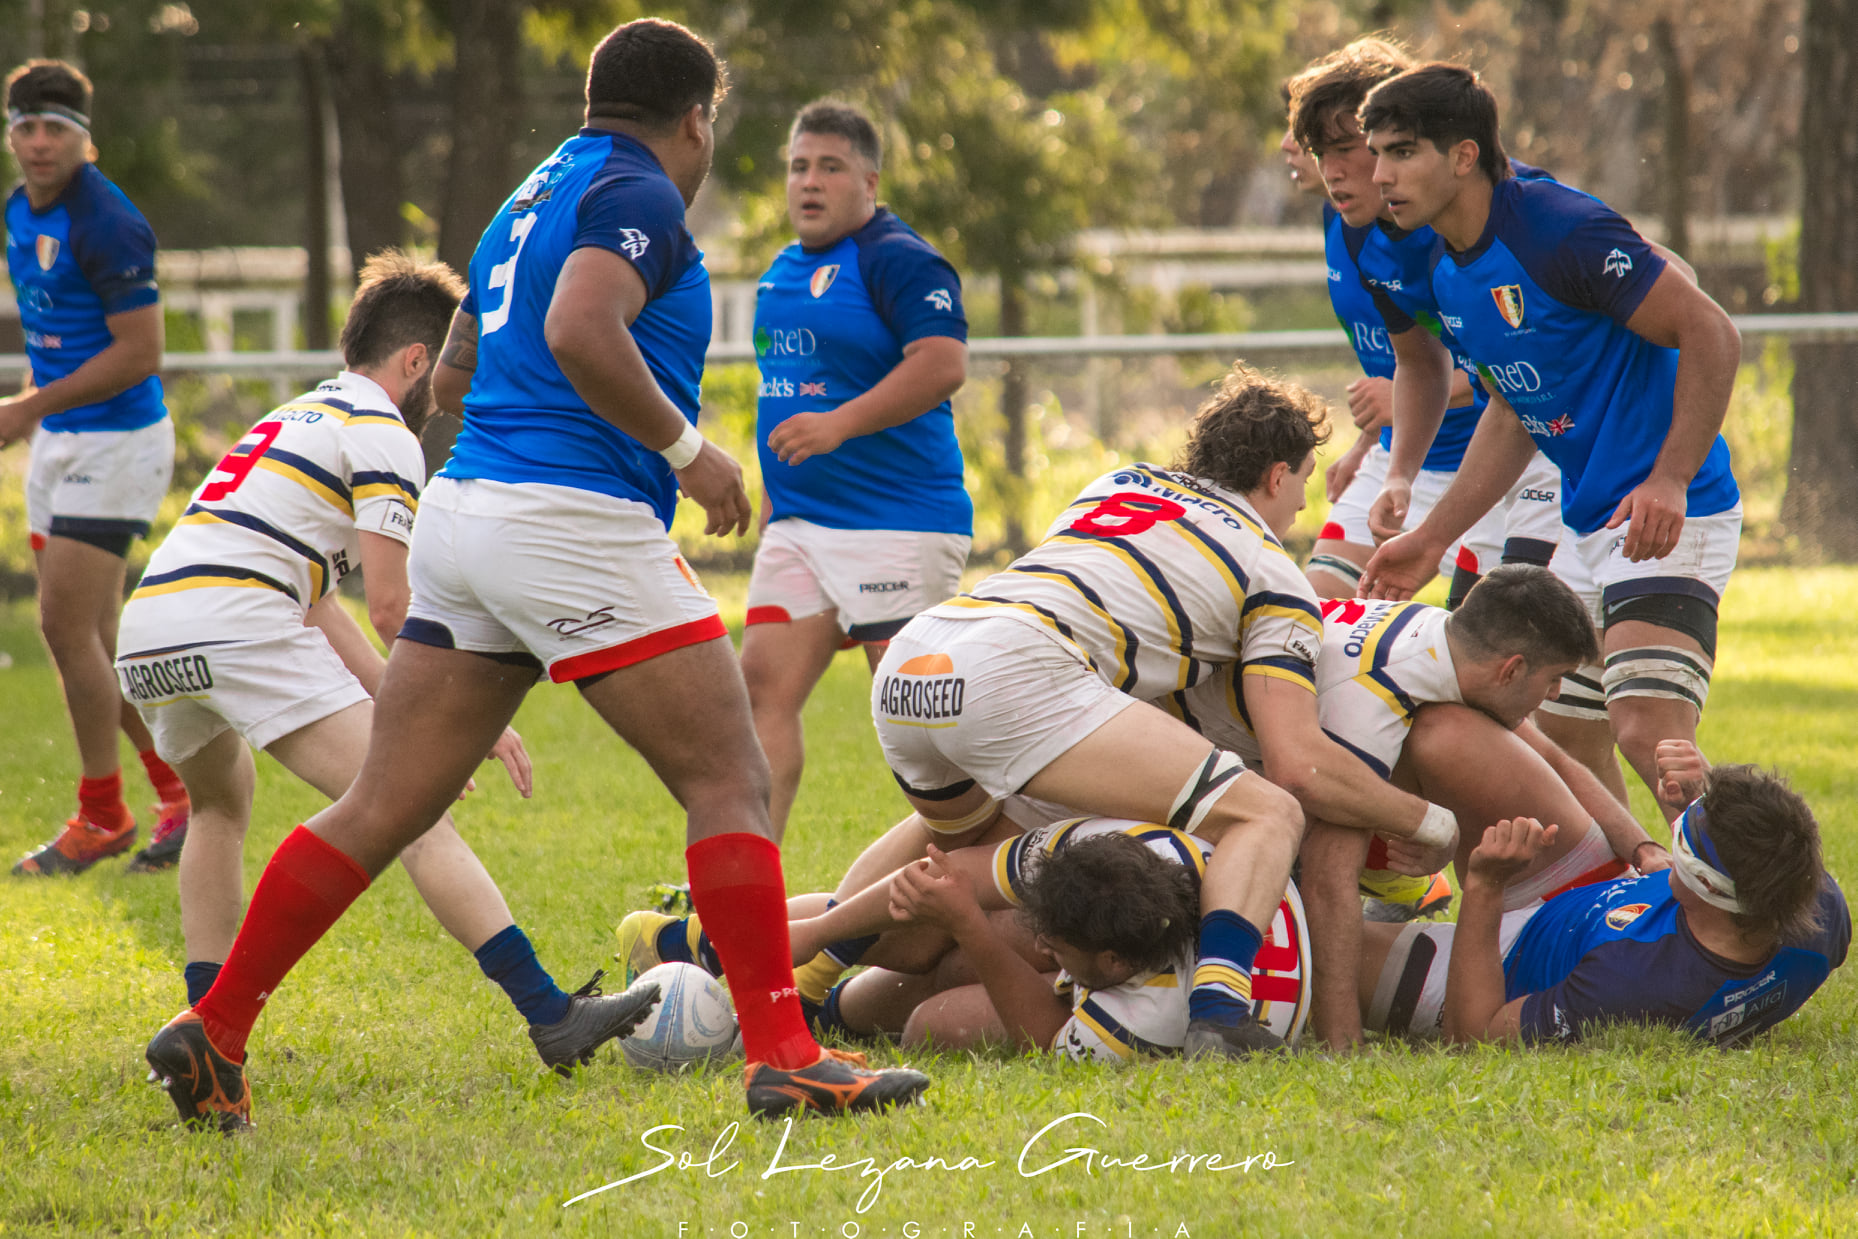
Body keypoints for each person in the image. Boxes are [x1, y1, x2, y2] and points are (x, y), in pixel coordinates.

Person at [142, 19, 929, 1132]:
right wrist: (686, 454)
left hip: (466, 514)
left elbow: (459, 358)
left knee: (380, 805)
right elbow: (578, 326)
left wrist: (496, 477)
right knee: (729, 782)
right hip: (569, 517)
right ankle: (787, 1056)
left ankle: (215, 1029)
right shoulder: (641, 192)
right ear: (698, 115)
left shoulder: (534, 187)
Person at [817, 364, 1462, 1060]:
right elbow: (1298, 765)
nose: (1302, 506)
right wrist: (1431, 822)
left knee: (941, 887)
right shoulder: (1273, 570)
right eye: (1304, 480)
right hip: (1020, 668)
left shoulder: (1120, 481)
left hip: (920, 659)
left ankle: (791, 975)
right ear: (1276, 476)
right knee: (1267, 812)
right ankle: (1219, 1012)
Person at [115, 251, 642, 1073]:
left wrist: (406, 704)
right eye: (454, 364)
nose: (450, 391)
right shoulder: (384, 435)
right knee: (411, 811)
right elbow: (393, 606)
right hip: (237, 617)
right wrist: (467, 717)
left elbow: (320, 602)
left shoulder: (293, 417)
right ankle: (551, 1014)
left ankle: (205, 1025)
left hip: (152, 627)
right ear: (416, 360)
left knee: (220, 806)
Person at [1355, 64, 1744, 815]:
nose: (1380, 175)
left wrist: (1668, 477)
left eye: (1401, 152)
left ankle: (1752, 908)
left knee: (1648, 730)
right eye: (1376, 154)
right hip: (1586, 517)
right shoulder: (1445, 269)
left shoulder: (1555, 227)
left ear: (1464, 156)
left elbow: (1710, 328)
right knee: (1564, 736)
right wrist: (1433, 540)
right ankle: (1627, 904)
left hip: (1673, 508)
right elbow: (1510, 413)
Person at [1244, 566, 1669, 1048]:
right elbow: (1328, 874)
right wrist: (1341, 1047)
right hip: (1232, 783)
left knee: (1444, 734)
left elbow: (1551, 756)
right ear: (1511, 669)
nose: (1554, 695)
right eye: (1555, 679)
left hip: (1272, 771)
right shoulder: (1374, 696)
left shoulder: (1442, 642)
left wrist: (1643, 846)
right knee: (1422, 752)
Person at [742, 100, 970, 841]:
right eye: (799, 166)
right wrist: (778, 500)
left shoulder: (898, 257)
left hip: (897, 526)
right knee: (759, 695)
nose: (809, 182)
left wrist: (838, 426)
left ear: (869, 180)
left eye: (830, 167)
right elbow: (789, 384)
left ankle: (974, 871)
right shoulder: (782, 270)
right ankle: (750, 889)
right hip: (801, 527)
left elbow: (942, 364)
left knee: (918, 717)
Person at [3, 59, 190, 875]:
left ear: (86, 140)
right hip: (61, 442)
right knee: (97, 636)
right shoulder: (17, 209)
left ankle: (102, 812)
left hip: (117, 443)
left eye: (55, 129)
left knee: (62, 625)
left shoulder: (108, 221)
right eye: (24, 127)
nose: (38, 143)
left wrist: (25, 409)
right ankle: (176, 794)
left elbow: (141, 353)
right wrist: (28, 408)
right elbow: (56, 338)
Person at [1362, 743, 1848, 1046]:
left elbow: (1474, 1037)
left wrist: (1486, 887)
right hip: (1596, 900)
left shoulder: (1634, 987)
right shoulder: (1819, 908)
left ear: (1705, 885)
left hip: (1500, 965)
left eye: (1683, 837)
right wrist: (1691, 815)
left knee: (1321, 949)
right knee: (1450, 734)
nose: (1678, 821)